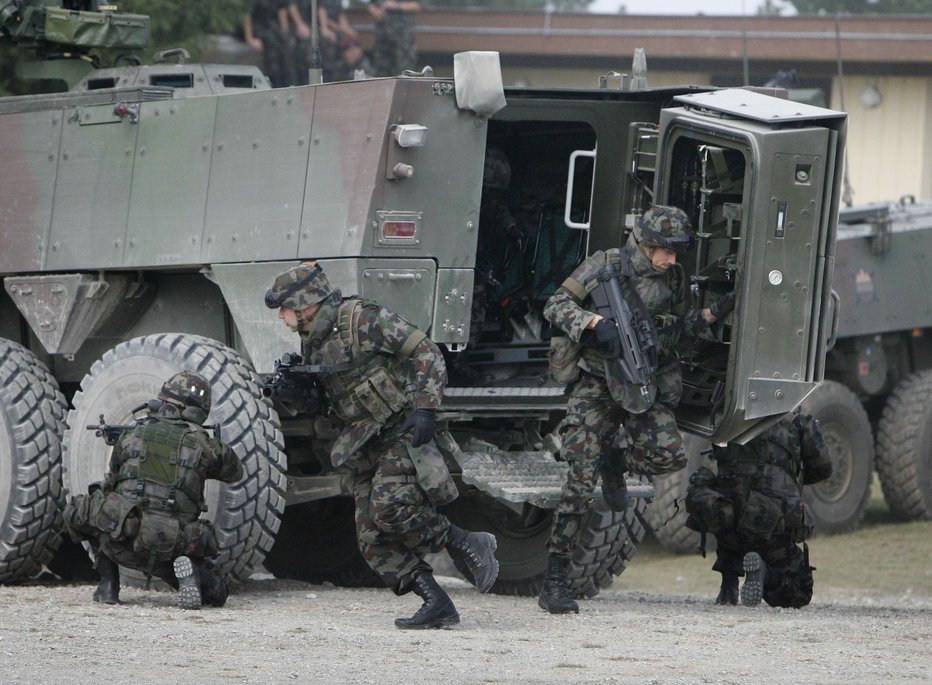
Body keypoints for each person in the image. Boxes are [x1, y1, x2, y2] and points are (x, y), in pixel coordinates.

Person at [265, 261, 500, 629]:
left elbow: (427, 352)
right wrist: (300, 395)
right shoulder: (314, 341)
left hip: (401, 428)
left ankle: (468, 542)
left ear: (305, 303)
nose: (281, 317)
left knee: (389, 507)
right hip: (364, 441)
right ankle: (436, 602)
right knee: (372, 539)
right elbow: (332, 404)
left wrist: (425, 409)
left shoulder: (362, 320)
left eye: (284, 308)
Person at [539, 204, 734, 614]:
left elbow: (678, 328)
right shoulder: (605, 265)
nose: (671, 260)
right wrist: (594, 325)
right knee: (579, 478)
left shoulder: (674, 278)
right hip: (596, 382)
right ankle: (555, 577)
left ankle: (614, 458)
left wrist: (716, 312)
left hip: (642, 381)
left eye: (677, 253)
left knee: (668, 456)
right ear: (645, 244)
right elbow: (555, 306)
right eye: (666, 251)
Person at [62, 372, 244, 609]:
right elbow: (235, 473)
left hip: (123, 542)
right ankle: (190, 575)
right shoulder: (205, 446)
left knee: (97, 506)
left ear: (165, 404)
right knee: (217, 594)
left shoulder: (131, 435)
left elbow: (112, 483)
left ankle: (109, 584)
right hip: (171, 547)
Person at [685, 410, 833, 608]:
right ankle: (765, 573)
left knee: (728, 510)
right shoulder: (798, 420)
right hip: (771, 517)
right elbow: (823, 467)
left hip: (730, 516)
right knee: (797, 593)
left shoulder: (730, 411)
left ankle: (728, 585)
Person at [244, 0, 295, 87]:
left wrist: (285, 36)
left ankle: (286, 84)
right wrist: (250, 38)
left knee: (285, 47)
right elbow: (246, 14)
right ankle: (273, 83)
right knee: (272, 46)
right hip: (259, 27)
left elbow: (282, 13)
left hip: (274, 27)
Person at [367, 0, 420, 77]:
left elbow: (416, 6)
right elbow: (371, 4)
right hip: (383, 34)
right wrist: (374, 10)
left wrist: (396, 6)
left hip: (403, 36)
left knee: (405, 67)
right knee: (381, 67)